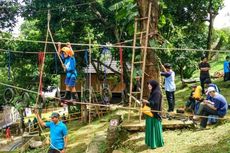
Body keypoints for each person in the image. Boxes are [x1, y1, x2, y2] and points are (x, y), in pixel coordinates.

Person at [142, 80, 164, 149]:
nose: (148, 86)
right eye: (148, 85)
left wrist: (147, 102)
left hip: (154, 114)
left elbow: (155, 103)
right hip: (150, 114)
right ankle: (150, 142)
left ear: (153, 85)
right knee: (150, 128)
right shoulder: (153, 92)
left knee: (154, 128)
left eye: (150, 85)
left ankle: (156, 143)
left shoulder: (157, 93)